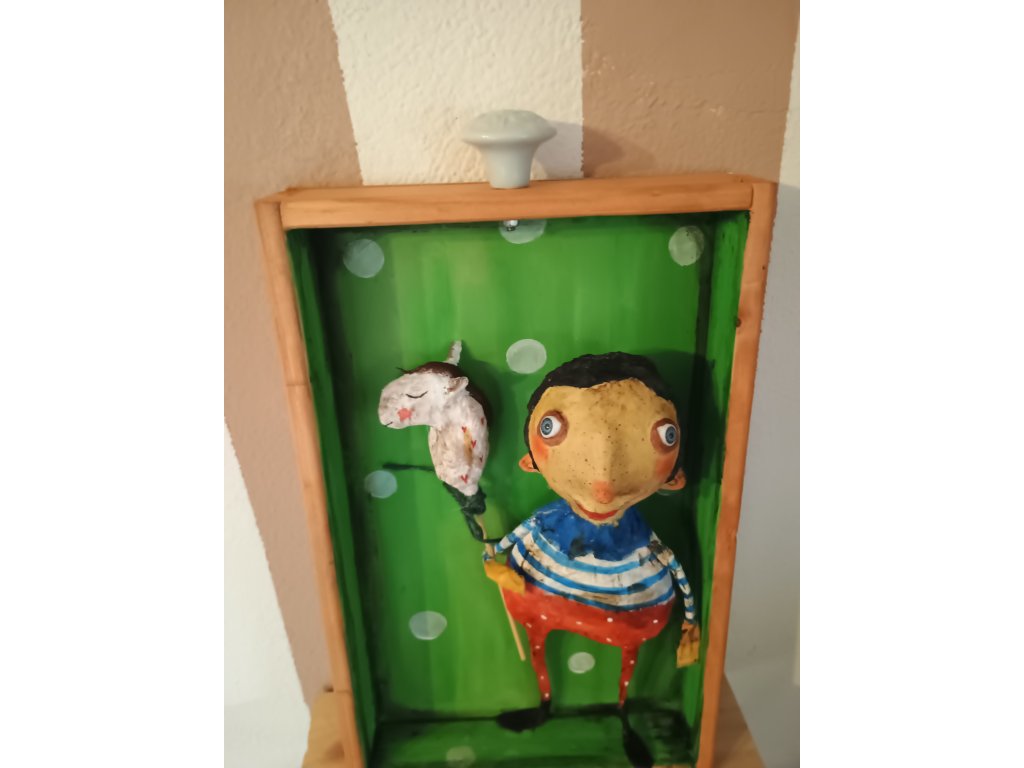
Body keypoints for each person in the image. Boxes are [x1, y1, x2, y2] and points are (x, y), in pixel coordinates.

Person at [483, 352, 700, 768]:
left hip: (627, 604)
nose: (603, 486)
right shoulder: (547, 523)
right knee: (537, 641)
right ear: (530, 461)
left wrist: (690, 620)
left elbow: (674, 569)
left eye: (664, 436)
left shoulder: (640, 541)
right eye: (551, 428)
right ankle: (545, 701)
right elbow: (504, 545)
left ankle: (622, 711)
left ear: (675, 477)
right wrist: (493, 560)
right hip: (543, 588)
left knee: (626, 655)